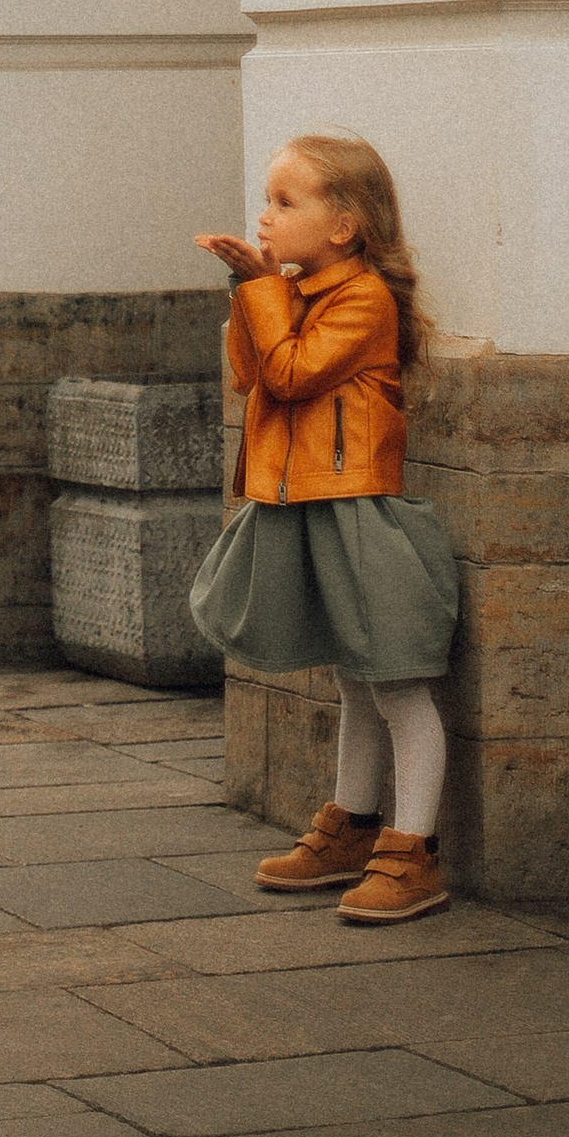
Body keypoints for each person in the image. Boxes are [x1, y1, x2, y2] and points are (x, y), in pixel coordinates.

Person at [188, 131, 458, 925]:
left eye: (285, 201)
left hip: (357, 509)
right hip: (303, 506)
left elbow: (291, 373)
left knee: (397, 682)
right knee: (351, 677)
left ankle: (415, 853)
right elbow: (251, 373)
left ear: (344, 225)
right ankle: (352, 825)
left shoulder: (364, 298)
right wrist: (260, 289)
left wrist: (258, 286)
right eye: (267, 201)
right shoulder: (298, 291)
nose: (266, 218)